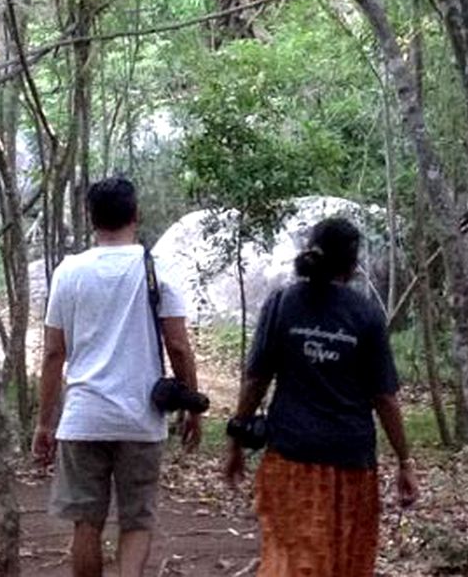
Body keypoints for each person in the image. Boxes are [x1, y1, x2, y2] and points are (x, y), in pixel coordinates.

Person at [223, 216, 419, 577]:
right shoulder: (366, 314)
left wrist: (236, 439)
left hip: (290, 457)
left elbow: (256, 380)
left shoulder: (282, 304)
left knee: (288, 556)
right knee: (344, 559)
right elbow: (385, 398)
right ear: (353, 264)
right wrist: (404, 460)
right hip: (350, 461)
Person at [33, 177, 203, 577]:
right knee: (137, 520)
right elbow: (178, 346)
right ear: (136, 214)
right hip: (140, 418)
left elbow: (54, 353)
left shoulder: (69, 272)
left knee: (85, 522)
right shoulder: (157, 269)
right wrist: (193, 406)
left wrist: (45, 422)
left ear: (90, 218)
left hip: (83, 417)